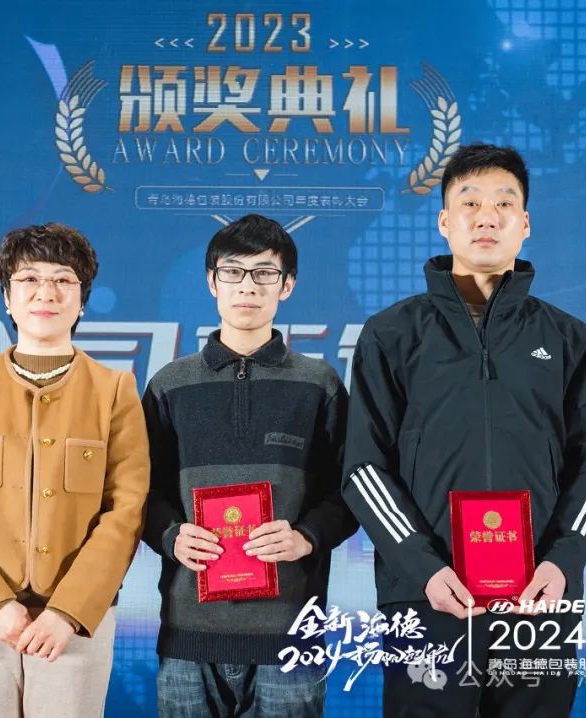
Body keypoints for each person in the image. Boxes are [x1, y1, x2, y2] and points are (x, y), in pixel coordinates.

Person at [342, 144, 586, 717]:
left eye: (504, 203)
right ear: (445, 222)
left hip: (538, 596)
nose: (486, 216)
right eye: (469, 202)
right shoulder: (391, 334)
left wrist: (561, 563)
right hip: (426, 596)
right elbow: (364, 469)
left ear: (525, 224)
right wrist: (423, 567)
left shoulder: (567, 338)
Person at [0, 222, 149, 718]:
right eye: (28, 279)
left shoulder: (115, 392)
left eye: (63, 280)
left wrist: (69, 611)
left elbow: (126, 511)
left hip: (76, 624)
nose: (46, 292)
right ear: (7, 298)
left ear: (82, 300)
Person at [142, 213, 358, 717]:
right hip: (188, 635)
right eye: (233, 272)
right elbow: (137, 491)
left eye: (264, 273)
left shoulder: (319, 384)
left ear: (287, 285)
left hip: (290, 637)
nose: (247, 286)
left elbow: (352, 489)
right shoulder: (170, 384)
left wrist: (307, 536)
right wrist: (171, 536)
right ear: (211, 281)